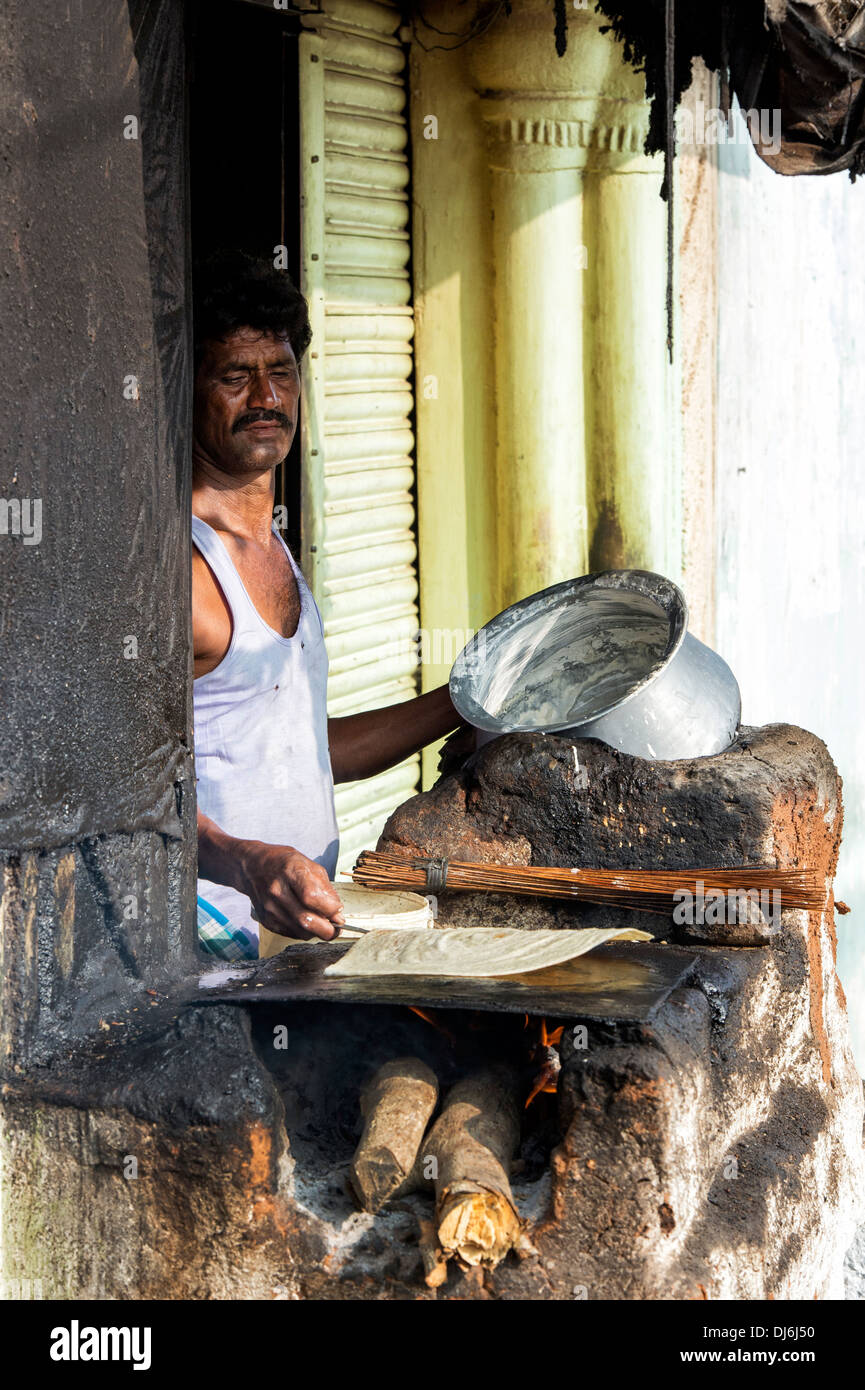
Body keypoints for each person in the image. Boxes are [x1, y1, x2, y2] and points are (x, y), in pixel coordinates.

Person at [192, 252, 460, 951]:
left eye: (279, 373)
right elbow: (122, 800)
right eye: (233, 376)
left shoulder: (278, 549)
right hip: (203, 940)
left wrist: (469, 701)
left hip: (298, 939)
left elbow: (311, 752)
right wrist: (246, 862)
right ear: (185, 389)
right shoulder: (181, 572)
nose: (265, 398)